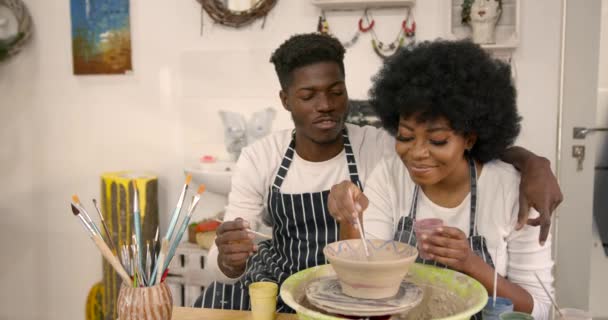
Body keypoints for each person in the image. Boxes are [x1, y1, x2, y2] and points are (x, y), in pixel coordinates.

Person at [194, 33, 560, 313]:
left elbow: (462, 145)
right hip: (313, 288)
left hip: (363, 296)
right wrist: (228, 258)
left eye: (336, 92)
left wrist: (533, 164)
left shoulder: (381, 149)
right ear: (286, 100)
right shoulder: (263, 156)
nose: (325, 106)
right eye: (308, 96)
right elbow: (362, 264)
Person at [328, 40, 554, 319]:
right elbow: (364, 278)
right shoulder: (389, 176)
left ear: (469, 138)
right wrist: (350, 218)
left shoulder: (512, 190)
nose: (418, 153)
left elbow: (542, 309)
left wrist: (470, 263)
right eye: (405, 136)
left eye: (437, 140)